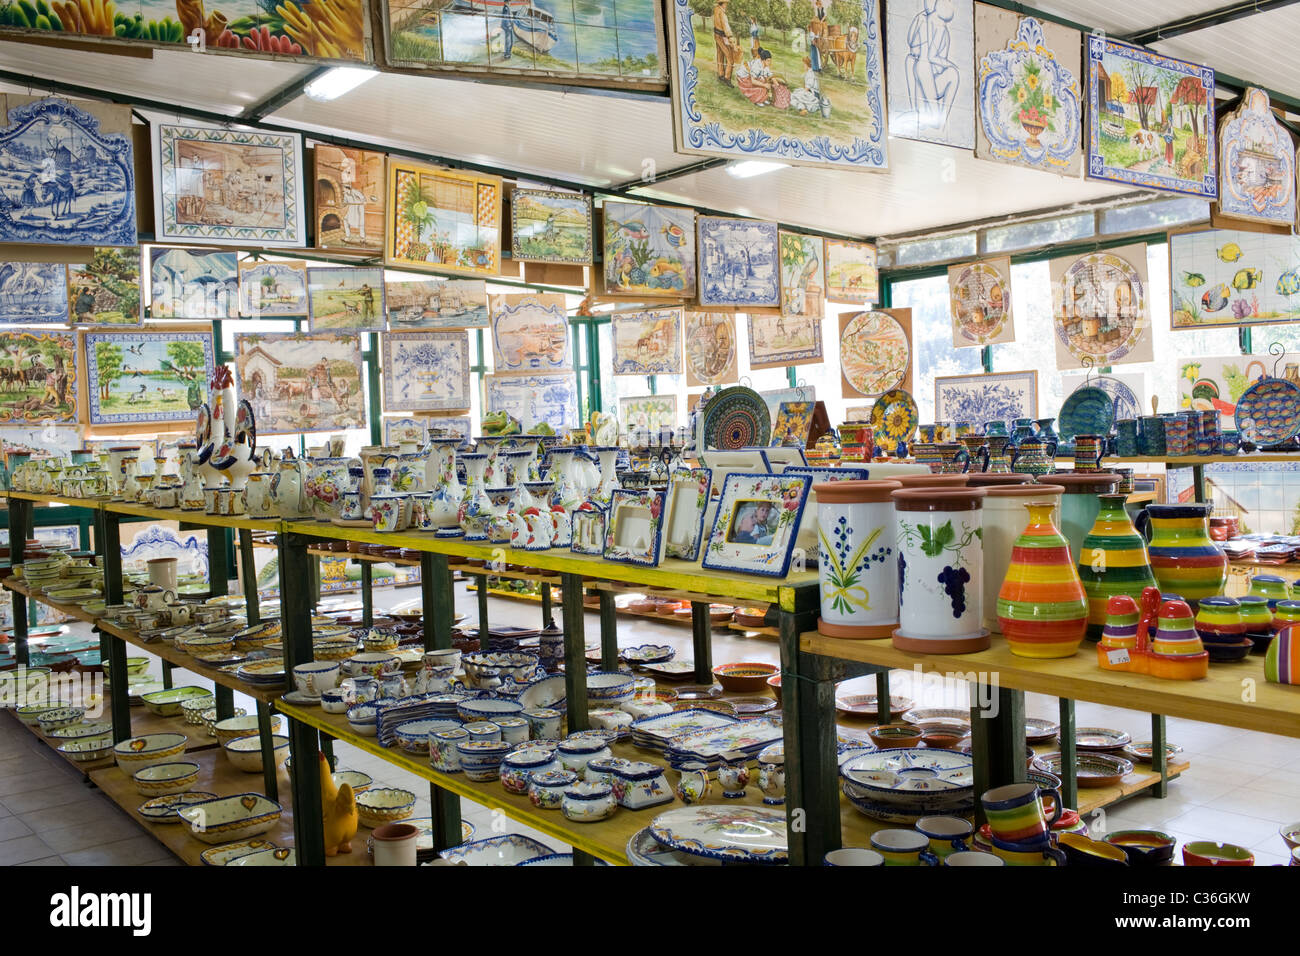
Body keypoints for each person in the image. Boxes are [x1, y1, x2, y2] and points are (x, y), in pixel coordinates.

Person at [712, 0, 737, 84]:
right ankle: (727, 78)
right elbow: (725, 27)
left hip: (716, 35)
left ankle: (721, 74)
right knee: (730, 58)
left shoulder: (716, 9)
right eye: (726, 3)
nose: (726, 5)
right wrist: (730, 37)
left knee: (720, 55)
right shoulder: (722, 13)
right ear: (722, 3)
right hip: (722, 36)